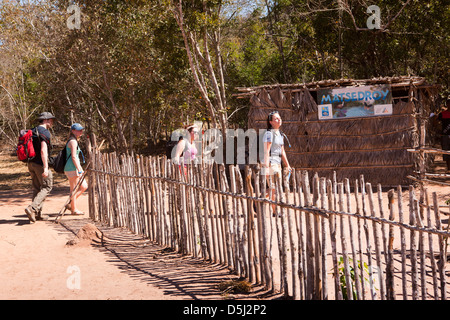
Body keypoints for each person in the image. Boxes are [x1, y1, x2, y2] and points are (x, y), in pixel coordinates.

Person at [25, 112, 55, 223]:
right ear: (46, 120)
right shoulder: (44, 132)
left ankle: (37, 214)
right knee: (47, 187)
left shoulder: (33, 130)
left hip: (30, 163)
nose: (52, 122)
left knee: (37, 188)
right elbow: (43, 150)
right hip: (39, 164)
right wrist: (46, 167)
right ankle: (32, 208)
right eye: (51, 120)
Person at [262, 110, 291, 215]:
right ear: (271, 122)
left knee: (275, 188)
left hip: (278, 163)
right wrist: (265, 167)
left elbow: (282, 151)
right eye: (276, 119)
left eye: (279, 118)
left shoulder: (280, 134)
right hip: (270, 163)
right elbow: (266, 151)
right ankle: (275, 211)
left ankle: (256, 202)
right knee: (274, 188)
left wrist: (287, 165)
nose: (279, 120)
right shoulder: (269, 134)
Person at [64, 123, 88, 215]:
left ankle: (70, 203)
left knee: (84, 186)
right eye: (78, 130)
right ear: (73, 131)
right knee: (73, 189)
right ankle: (74, 209)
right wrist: (80, 170)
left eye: (81, 130)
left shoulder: (74, 140)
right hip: (72, 168)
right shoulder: (73, 141)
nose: (80, 132)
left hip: (75, 167)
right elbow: (74, 157)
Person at [436, 99, 450, 170]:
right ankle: (448, 168)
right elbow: (436, 122)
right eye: (448, 104)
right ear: (447, 105)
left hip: (445, 135)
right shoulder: (442, 114)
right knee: (446, 152)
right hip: (445, 136)